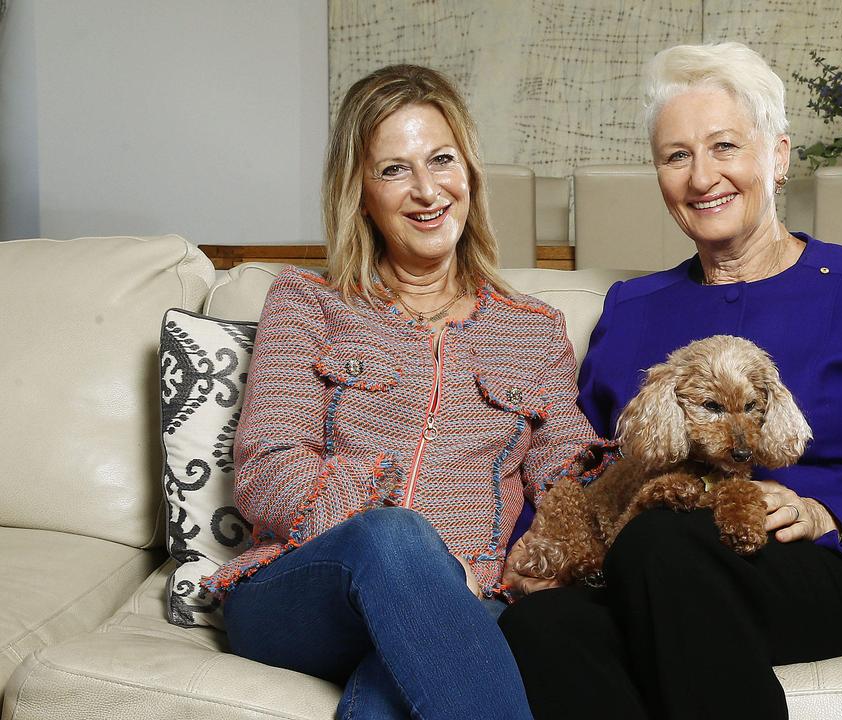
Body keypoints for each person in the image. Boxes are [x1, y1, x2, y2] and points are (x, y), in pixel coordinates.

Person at [498, 42, 842, 720]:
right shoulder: (634, 310)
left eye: (725, 146)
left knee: (663, 539)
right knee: (538, 627)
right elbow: (581, 468)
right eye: (677, 156)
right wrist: (532, 549)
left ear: (778, 156)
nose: (702, 178)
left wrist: (824, 514)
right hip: (658, 574)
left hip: (836, 573)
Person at [202, 64, 614, 720]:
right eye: (393, 169)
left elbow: (568, 470)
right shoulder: (308, 303)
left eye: (441, 160)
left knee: (387, 700)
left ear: (470, 175)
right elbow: (268, 471)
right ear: (360, 193)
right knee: (394, 541)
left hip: (469, 603)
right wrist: (421, 551)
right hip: (305, 592)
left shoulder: (532, 331)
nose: (427, 191)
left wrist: (567, 546)